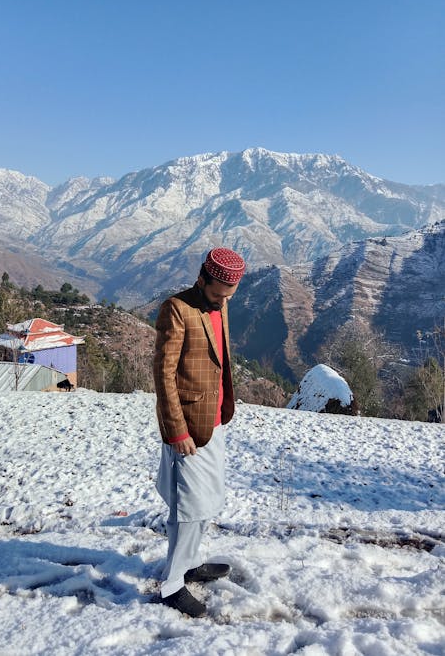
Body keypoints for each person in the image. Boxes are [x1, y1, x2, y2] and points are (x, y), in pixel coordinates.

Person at [153, 247, 245, 617]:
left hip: (214, 421)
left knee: (207, 500)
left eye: (229, 294)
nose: (223, 300)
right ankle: (172, 585)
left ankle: (190, 563)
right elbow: (163, 376)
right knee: (188, 508)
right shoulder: (176, 309)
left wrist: (223, 408)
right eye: (217, 292)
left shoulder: (221, 304)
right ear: (202, 277)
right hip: (187, 428)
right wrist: (176, 432)